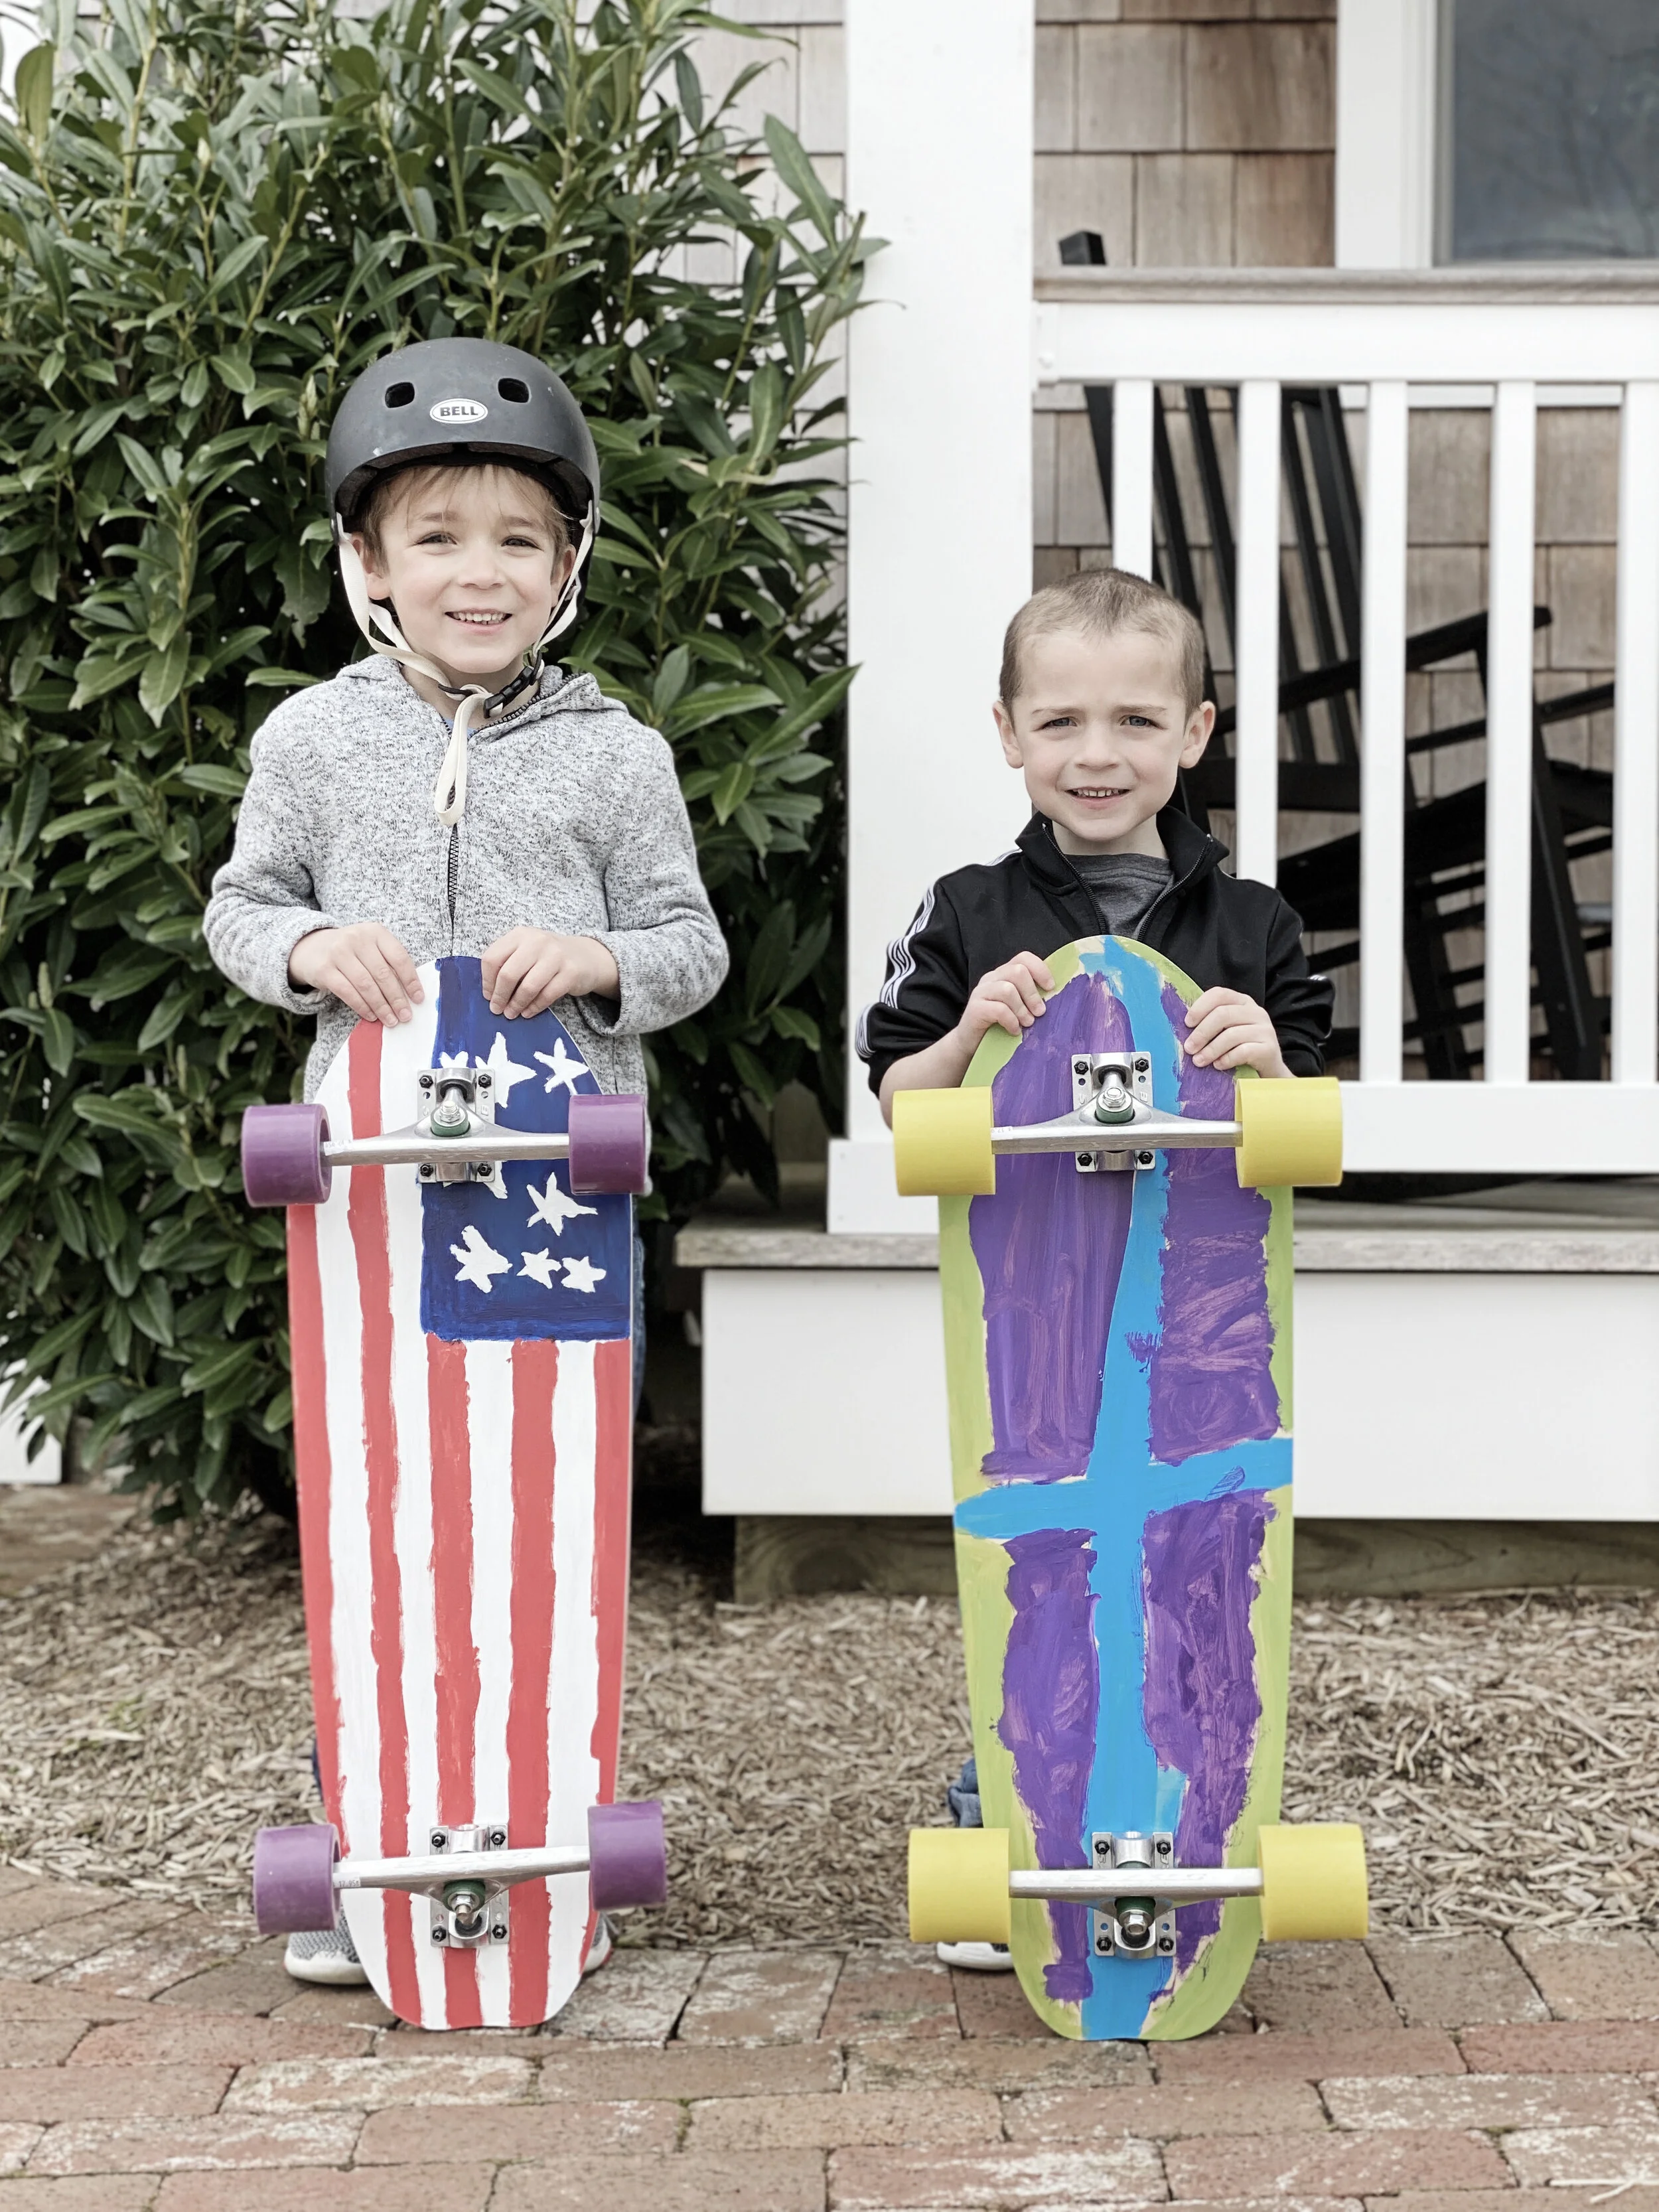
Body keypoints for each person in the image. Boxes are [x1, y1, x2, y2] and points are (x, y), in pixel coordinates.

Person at [206, 339, 729, 1984]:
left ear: (565, 563)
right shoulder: (308, 738)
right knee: (381, 1507)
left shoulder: (617, 754)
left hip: (552, 1193)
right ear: (368, 561)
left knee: (537, 1510)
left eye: (515, 537)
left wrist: (593, 963)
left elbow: (691, 943)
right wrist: (304, 947)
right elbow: (235, 907)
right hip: (361, 1194)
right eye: (436, 535)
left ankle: (543, 1807)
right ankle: (373, 1828)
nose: (476, 571)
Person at [857, 565, 1332, 1969]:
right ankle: (1014, 1801)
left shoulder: (1254, 927)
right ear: (1007, 734)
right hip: (1035, 1309)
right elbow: (902, 1096)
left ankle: (1189, 1805)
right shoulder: (964, 910)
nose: (1097, 753)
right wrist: (972, 1041)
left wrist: (1263, 1053)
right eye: (1059, 720)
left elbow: (1302, 1120)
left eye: (1134, 718)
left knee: (1195, 1547)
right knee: (1047, 1541)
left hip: (1202, 1308)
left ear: (1193, 732)